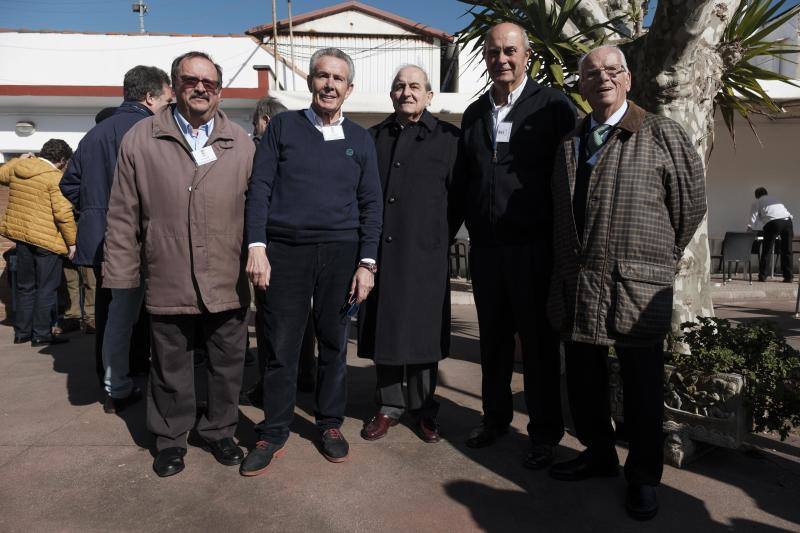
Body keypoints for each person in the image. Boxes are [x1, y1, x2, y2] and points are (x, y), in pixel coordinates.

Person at [545, 45, 706, 521]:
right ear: (580, 84)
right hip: (578, 280)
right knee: (584, 379)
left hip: (636, 285)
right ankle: (598, 454)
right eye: (592, 73)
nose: (603, 79)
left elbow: (690, 205)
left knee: (642, 387)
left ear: (628, 79)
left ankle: (643, 477)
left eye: (612, 71)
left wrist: (658, 257)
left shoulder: (661, 133)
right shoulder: (571, 142)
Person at [103, 51, 255, 477]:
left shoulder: (240, 142)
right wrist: (122, 274)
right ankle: (170, 438)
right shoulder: (141, 139)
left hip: (226, 273)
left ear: (220, 91)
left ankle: (220, 430)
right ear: (174, 86)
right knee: (170, 364)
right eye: (191, 80)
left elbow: (256, 210)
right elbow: (123, 213)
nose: (201, 88)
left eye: (209, 82)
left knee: (227, 362)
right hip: (168, 271)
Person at [241, 47, 382, 475]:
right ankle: (274, 430)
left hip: (341, 253)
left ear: (349, 88)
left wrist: (367, 263)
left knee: (334, 344)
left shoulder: (360, 139)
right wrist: (257, 246)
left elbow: (371, 203)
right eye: (323, 76)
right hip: (285, 251)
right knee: (281, 345)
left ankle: (329, 423)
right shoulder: (283, 127)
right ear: (310, 81)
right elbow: (260, 188)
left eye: (338, 78)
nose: (329, 85)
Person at [449, 22, 576, 468]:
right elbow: (464, 181)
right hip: (486, 249)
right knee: (494, 341)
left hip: (534, 248)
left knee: (538, 345)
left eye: (509, 51)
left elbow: (570, 175)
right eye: (493, 52)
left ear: (526, 55)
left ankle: (544, 433)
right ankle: (495, 419)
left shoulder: (553, 105)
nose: (501, 59)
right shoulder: (475, 112)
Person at [61, 65, 172, 413]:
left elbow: (69, 183)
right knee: (145, 311)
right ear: (150, 96)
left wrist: (94, 209)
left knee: (111, 311)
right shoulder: (150, 130)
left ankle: (112, 379)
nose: (168, 107)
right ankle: (127, 378)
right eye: (166, 100)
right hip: (138, 237)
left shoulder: (94, 134)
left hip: (100, 236)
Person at [358, 65, 458, 444]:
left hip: (425, 253)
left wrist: (435, 234)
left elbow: (459, 198)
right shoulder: (373, 138)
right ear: (391, 95)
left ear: (429, 96)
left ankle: (423, 408)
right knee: (385, 329)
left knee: (423, 333)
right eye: (399, 86)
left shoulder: (448, 139)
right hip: (382, 254)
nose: (406, 92)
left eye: (415, 86)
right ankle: (388, 406)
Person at [247, 95, 317, 402]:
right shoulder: (301, 147)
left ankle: (270, 384)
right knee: (302, 314)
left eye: (255, 123)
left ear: (265, 120)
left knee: (270, 318)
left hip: (268, 244)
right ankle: (306, 374)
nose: (254, 129)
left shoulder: (262, 148)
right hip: (299, 242)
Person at [0, 139, 76, 346]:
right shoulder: (54, 177)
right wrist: (72, 242)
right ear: (62, 160)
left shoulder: (18, 168)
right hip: (46, 241)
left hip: (22, 237)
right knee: (47, 287)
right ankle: (41, 334)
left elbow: (1, 174)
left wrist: (18, 159)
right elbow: (63, 214)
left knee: (25, 286)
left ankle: (22, 333)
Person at [747, 187, 794, 282]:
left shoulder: (757, 202)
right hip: (788, 222)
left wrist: (750, 229)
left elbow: (753, 218)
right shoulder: (775, 200)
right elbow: (787, 213)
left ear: (756, 196)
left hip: (773, 223)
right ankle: (788, 276)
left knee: (767, 250)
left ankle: (763, 276)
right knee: (787, 250)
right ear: (766, 193)